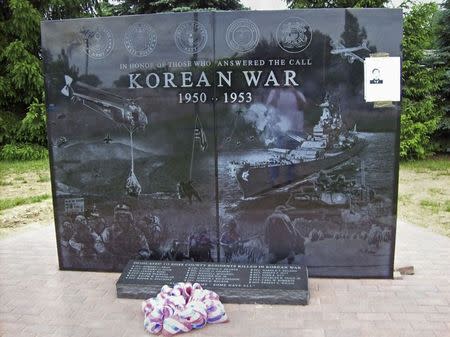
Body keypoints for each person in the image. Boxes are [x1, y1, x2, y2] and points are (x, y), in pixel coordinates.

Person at [110, 203, 149, 269]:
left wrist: (139, 256)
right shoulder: (109, 231)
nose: (122, 220)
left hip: (134, 265)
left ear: (129, 218)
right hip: (117, 265)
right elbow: (99, 244)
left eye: (125, 217)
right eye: (120, 217)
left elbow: (146, 250)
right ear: (117, 218)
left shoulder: (137, 232)